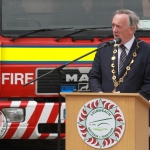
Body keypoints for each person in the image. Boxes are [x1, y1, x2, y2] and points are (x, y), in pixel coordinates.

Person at [89, 9, 150, 101]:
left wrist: (130, 100)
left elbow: (148, 84)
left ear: (131, 29)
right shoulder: (103, 48)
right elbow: (94, 77)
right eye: (113, 25)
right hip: (106, 108)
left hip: (134, 109)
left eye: (119, 26)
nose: (114, 30)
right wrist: (99, 94)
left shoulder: (146, 50)